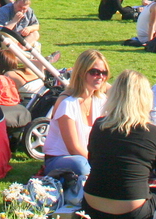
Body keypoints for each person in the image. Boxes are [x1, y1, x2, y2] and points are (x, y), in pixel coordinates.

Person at [82, 69, 156, 219]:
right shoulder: (154, 133)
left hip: (92, 206)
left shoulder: (99, 125)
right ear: (145, 98)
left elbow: (93, 161)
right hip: (132, 212)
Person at [42, 49, 111, 205]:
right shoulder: (68, 104)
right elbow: (73, 148)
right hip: (61, 159)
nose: (100, 76)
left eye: (104, 73)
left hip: (89, 157)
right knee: (81, 165)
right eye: (94, 72)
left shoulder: (100, 101)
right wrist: (101, 164)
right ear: (81, 73)